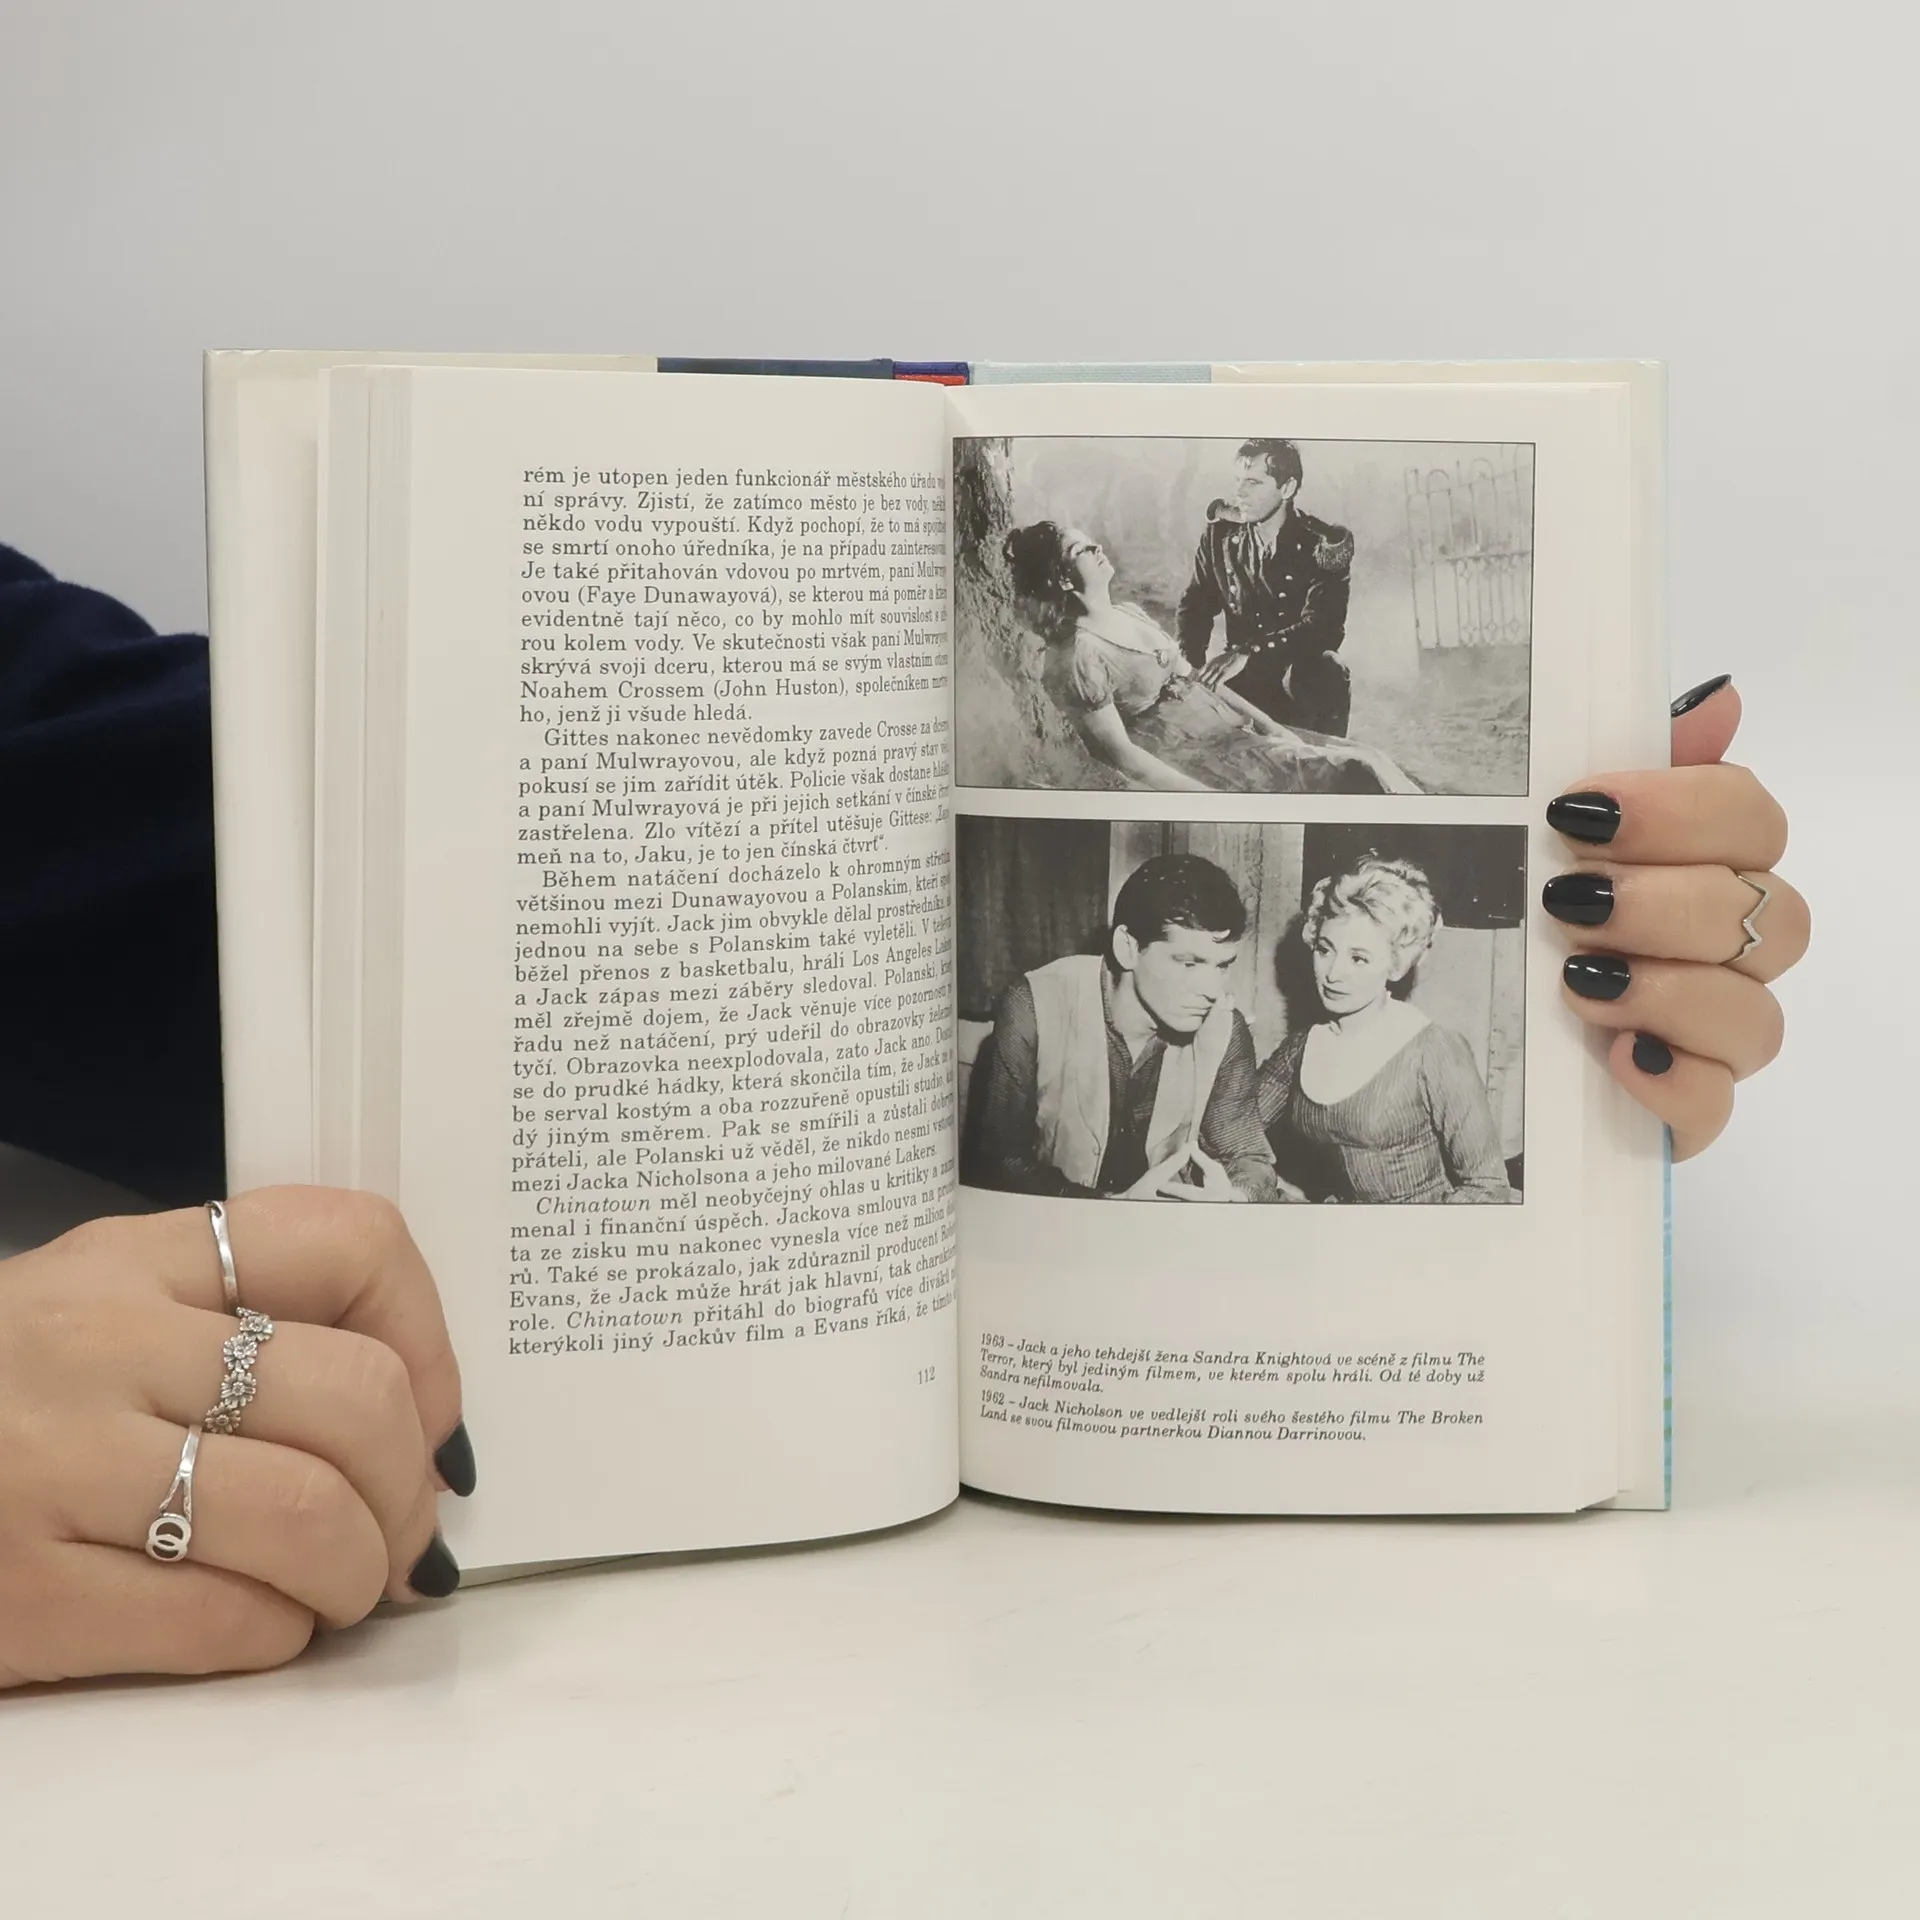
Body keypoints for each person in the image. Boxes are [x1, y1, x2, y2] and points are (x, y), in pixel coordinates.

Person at [0, 531, 1807, 1687]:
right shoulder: (1068, 1008)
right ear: (1138, 950)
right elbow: (1072, 1149)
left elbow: (100, 801)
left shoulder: (1293, 1035)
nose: (1287, 964)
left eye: (1354, 934)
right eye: (1302, 932)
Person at [1003, 519, 1417, 795]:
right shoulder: (1081, 653)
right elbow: (1123, 755)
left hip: (1235, 729)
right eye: (1080, 549)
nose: (1096, 548)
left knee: (1370, 759)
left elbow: (1200, 679)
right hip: (1201, 759)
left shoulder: (1129, 613)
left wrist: (1274, 727)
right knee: (1356, 775)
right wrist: (1204, 797)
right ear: (1061, 578)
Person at [963, 853, 1279, 1202]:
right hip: (1059, 1224)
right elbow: (1000, 1162)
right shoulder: (1033, 1004)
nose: (1213, 990)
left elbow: (1249, 1158)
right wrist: (1108, 1206)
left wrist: (1235, 1197)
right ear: (1127, 948)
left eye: (1222, 966)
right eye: (1189, 963)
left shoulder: (1224, 1029)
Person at [1255, 856, 1514, 1204]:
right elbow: (1235, 1125)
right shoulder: (1301, 1046)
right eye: (1325, 950)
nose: (1333, 973)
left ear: (1396, 964)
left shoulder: (1434, 1050)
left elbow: (1488, 1188)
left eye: (1358, 958)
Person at [1177, 438, 1356, 737]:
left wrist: (1250, 652)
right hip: (1241, 681)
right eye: (1238, 480)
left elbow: (1324, 627)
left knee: (1329, 668)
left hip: (1295, 681)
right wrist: (1190, 666)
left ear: (1287, 488)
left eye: (1253, 482)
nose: (1239, 492)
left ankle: (1325, 758)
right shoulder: (1220, 535)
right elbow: (1196, 605)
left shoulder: (1321, 544)